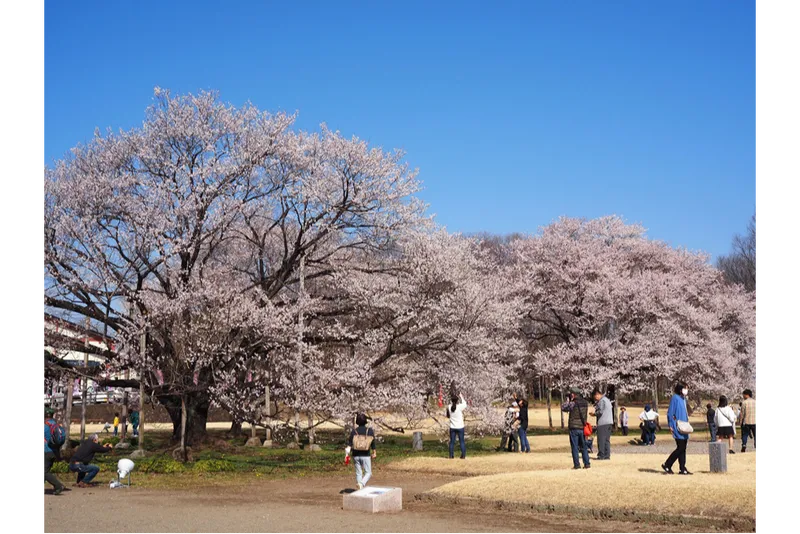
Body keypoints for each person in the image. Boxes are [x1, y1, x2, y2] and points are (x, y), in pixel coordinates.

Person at [662, 383, 692, 475]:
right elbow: (670, 413)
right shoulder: (675, 398)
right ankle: (667, 464)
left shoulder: (684, 399)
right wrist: (670, 424)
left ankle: (682, 468)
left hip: (685, 426)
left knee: (683, 448)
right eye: (685, 388)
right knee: (681, 447)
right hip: (678, 426)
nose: (686, 390)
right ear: (680, 389)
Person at [562, 387, 591, 470]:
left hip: (574, 427)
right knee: (584, 446)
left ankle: (577, 465)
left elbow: (563, 408)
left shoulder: (573, 403)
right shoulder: (585, 402)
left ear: (573, 394)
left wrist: (568, 400)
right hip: (582, 426)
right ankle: (587, 463)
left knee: (574, 446)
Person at [40, 408, 66, 495]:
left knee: (44, 472)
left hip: (45, 452)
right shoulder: (55, 425)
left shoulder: (43, 426)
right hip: (54, 452)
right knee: (42, 471)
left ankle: (58, 486)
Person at [347, 413, 376, 490]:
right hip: (365, 454)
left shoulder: (354, 431)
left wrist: (346, 455)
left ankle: (360, 489)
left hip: (355, 454)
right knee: (368, 472)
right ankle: (361, 484)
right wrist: (374, 452)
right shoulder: (369, 431)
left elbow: (349, 444)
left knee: (358, 473)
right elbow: (373, 442)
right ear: (365, 421)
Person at [590, 388, 613, 460]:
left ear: (597, 394)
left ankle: (601, 455)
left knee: (601, 439)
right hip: (609, 422)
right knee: (606, 440)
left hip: (603, 423)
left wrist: (593, 414)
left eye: (595, 397)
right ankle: (607, 455)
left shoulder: (602, 401)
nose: (595, 399)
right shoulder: (607, 400)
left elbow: (600, 411)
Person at [447, 394, 468, 459]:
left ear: (451, 400)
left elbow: (448, 416)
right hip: (460, 427)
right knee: (462, 441)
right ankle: (463, 455)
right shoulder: (459, 407)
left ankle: (451, 455)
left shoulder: (449, 407)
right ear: (457, 401)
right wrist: (461, 396)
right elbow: (465, 403)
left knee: (452, 442)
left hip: (452, 427)